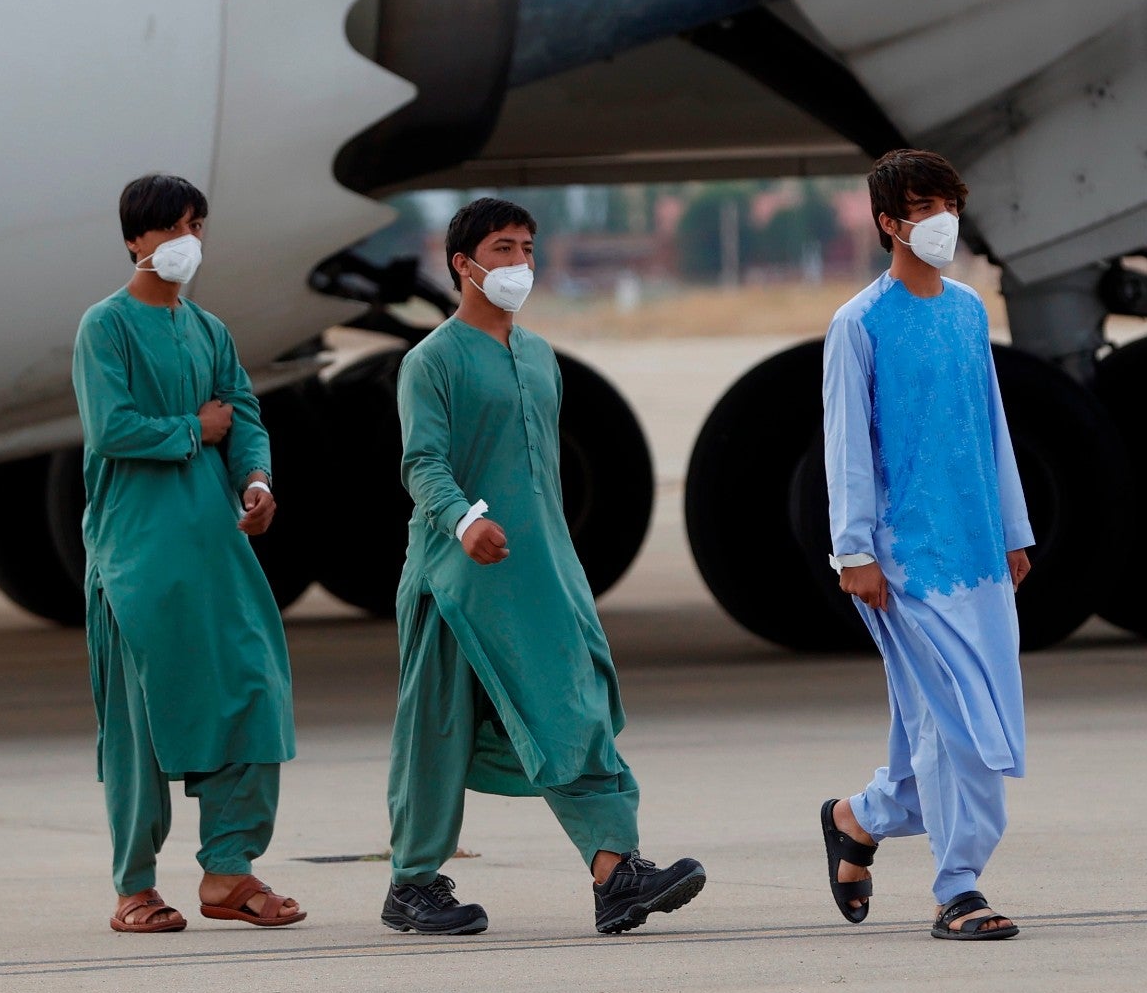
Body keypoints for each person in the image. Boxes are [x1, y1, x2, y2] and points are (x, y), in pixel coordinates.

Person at [381, 198, 705, 936]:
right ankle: (412, 882)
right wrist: (465, 520)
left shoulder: (538, 354)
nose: (519, 263)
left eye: (528, 247)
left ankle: (616, 871)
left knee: (573, 701)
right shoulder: (429, 362)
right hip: (454, 577)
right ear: (463, 264)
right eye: (502, 249)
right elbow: (421, 462)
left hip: (539, 570)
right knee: (439, 727)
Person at [73, 173, 303, 933]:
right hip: (139, 558)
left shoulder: (209, 331)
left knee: (253, 692)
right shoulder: (104, 328)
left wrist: (256, 480)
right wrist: (190, 432)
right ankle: (134, 887)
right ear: (134, 240)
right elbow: (111, 429)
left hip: (216, 551)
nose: (186, 243)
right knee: (142, 722)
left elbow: (243, 416)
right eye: (169, 230)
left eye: (195, 227)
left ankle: (229, 874)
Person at [818, 149, 1033, 941]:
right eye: (924, 207)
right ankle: (959, 889)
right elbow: (845, 445)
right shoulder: (858, 324)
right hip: (905, 563)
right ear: (888, 221)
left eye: (950, 205)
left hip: (978, 552)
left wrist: (1012, 530)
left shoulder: (970, 310)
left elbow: (991, 426)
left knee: (960, 720)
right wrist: (854, 552)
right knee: (955, 723)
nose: (942, 221)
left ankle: (858, 819)